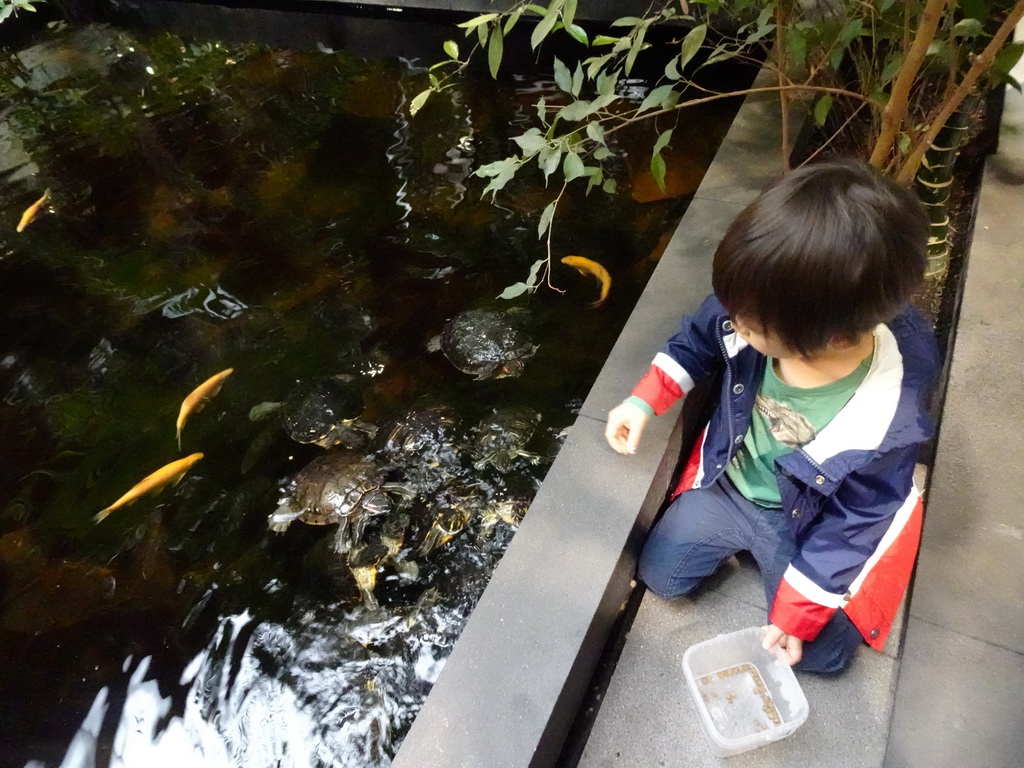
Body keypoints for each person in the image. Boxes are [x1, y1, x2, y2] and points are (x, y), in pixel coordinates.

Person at [605, 158, 940, 675]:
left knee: (818, 655)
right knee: (663, 577)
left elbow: (855, 520)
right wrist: (644, 399)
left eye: (746, 319)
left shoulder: (886, 415)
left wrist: (799, 611)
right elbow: (699, 337)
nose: (731, 317)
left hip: (809, 518)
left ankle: (817, 561)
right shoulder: (766, 301)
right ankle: (746, 547)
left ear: (826, 338)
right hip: (731, 486)